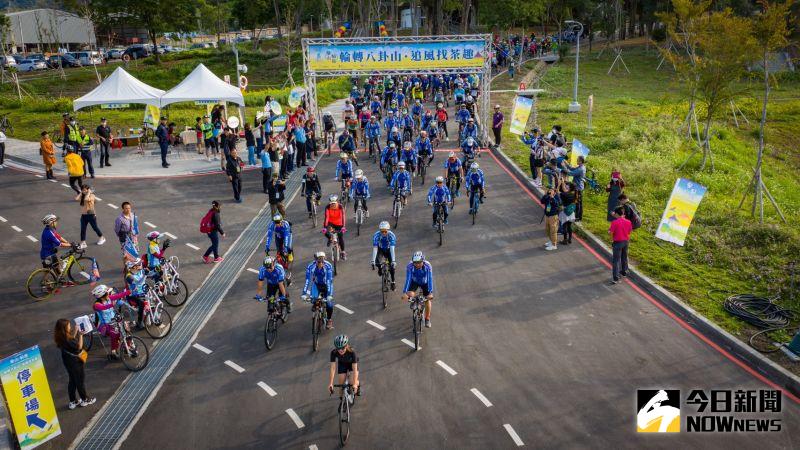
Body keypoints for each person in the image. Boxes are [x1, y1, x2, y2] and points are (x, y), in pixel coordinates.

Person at [54, 318, 95, 410]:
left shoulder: (60, 337)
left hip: (67, 361)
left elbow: (70, 339)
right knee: (79, 381)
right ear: (65, 328)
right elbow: (78, 347)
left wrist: (75, 331)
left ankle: (73, 401)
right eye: (68, 326)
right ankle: (85, 400)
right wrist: (80, 335)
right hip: (75, 362)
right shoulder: (68, 339)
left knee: (72, 380)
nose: (70, 326)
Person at [91, 284, 131, 360]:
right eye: (107, 293)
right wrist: (111, 305)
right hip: (104, 325)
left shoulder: (108, 298)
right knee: (114, 334)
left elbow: (118, 295)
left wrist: (129, 291)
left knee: (126, 329)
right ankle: (113, 351)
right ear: (102, 296)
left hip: (114, 321)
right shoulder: (96, 305)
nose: (108, 294)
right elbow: (103, 307)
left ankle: (127, 347)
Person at [302, 251, 336, 329]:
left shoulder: (328, 266)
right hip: (316, 285)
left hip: (326, 286)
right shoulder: (311, 266)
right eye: (319, 261)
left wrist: (329, 295)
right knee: (313, 300)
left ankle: (329, 320)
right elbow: (308, 280)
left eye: (322, 261)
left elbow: (329, 281)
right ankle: (316, 308)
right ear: (315, 260)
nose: (321, 263)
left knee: (329, 305)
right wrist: (304, 293)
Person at [401, 251, 435, 328]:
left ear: (423, 261)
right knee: (410, 294)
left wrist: (430, 292)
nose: (417, 264)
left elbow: (430, 279)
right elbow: (408, 279)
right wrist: (405, 292)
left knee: (427, 300)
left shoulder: (428, 266)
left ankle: (427, 319)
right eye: (415, 262)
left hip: (425, 282)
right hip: (414, 281)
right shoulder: (410, 266)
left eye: (419, 262)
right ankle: (414, 301)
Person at [609, 206, 632, 284]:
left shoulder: (614, 222)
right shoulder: (628, 222)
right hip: (626, 241)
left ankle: (615, 277)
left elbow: (611, 232)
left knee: (616, 260)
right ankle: (624, 271)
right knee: (624, 256)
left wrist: (611, 237)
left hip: (617, 242)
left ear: (616, 214)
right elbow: (629, 232)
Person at [371, 221, 396, 290]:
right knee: (377, 262)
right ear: (380, 231)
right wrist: (372, 260)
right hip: (380, 249)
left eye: (385, 231)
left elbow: (392, 249)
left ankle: (393, 282)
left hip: (389, 250)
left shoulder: (392, 236)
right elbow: (375, 248)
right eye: (382, 231)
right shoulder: (376, 235)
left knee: (392, 267)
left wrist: (393, 261)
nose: (384, 233)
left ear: (388, 230)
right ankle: (380, 268)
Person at [114, 201, 140, 266]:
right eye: (126, 208)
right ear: (123, 209)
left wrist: (136, 234)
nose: (128, 209)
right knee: (126, 253)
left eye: (129, 208)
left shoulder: (132, 215)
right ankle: (126, 267)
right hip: (125, 238)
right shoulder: (119, 219)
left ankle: (133, 265)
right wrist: (121, 236)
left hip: (133, 237)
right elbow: (117, 229)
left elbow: (136, 225)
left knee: (134, 251)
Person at [561, 156, 586, 221]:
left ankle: (578, 217)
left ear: (581, 161)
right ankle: (576, 215)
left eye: (577, 160)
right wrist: (566, 164)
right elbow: (572, 168)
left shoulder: (581, 169)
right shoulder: (581, 167)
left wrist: (564, 166)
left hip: (578, 188)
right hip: (577, 187)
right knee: (576, 202)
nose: (577, 161)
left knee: (578, 203)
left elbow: (570, 173)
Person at [124, 259, 148, 328]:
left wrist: (155, 270)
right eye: (139, 264)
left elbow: (150, 273)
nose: (141, 265)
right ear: (134, 267)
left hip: (143, 291)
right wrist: (145, 275)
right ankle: (139, 322)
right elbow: (138, 282)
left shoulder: (140, 271)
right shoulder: (129, 276)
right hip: (132, 295)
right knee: (142, 303)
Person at [323, 195, 347, 260]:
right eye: (331, 203)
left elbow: (343, 216)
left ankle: (343, 252)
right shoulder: (327, 207)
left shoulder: (340, 207)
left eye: (334, 203)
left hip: (339, 223)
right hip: (331, 223)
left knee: (340, 236)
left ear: (337, 202)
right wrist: (325, 227)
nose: (333, 205)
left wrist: (343, 227)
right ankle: (330, 238)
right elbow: (326, 217)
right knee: (325, 232)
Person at [541, 187, 561, 251]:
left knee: (553, 230)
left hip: (553, 216)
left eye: (551, 191)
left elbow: (557, 204)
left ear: (554, 192)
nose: (550, 192)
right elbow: (542, 201)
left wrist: (552, 197)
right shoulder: (547, 196)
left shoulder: (557, 197)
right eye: (549, 191)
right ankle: (550, 241)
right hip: (547, 216)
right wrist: (545, 195)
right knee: (548, 229)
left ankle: (554, 245)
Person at [559, 180, 577, 245]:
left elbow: (560, 191)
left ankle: (565, 240)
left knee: (564, 226)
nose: (566, 186)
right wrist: (563, 183)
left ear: (569, 188)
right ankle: (570, 239)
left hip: (565, 211)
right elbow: (565, 190)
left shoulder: (563, 194)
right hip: (571, 212)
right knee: (569, 226)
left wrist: (560, 184)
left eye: (568, 186)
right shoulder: (574, 194)